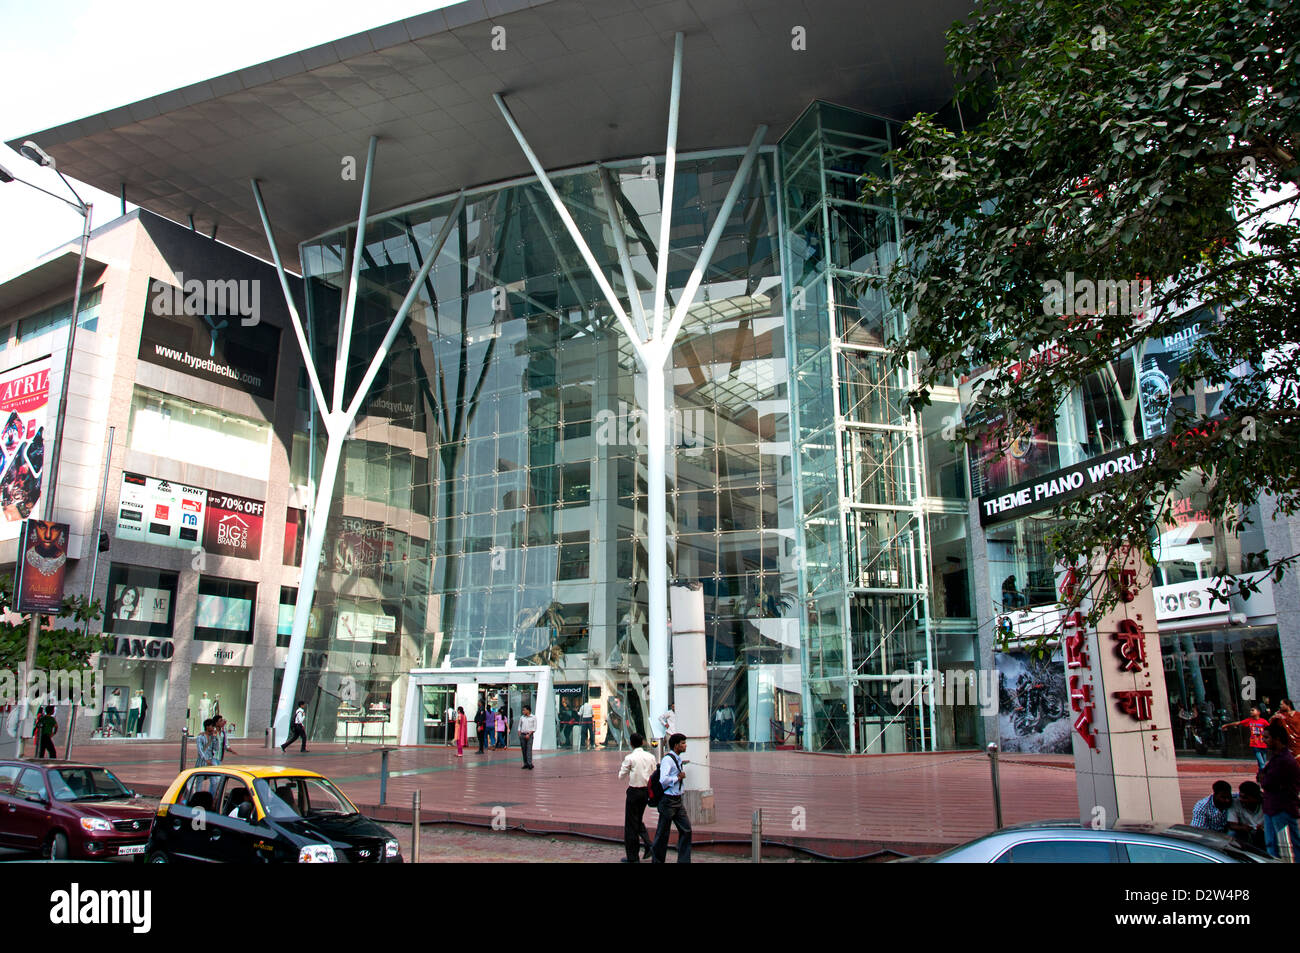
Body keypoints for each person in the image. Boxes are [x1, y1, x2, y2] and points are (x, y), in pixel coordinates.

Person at [1258, 721, 1300, 859]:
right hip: (1272, 806)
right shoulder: (1276, 759)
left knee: (1284, 845)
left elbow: (1268, 782)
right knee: (1272, 844)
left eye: (1267, 738)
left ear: (1277, 739)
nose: (1264, 741)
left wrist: (1264, 779)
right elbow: (1263, 778)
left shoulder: (1285, 760)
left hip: (1282, 807)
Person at [651, 733, 691, 863]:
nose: (685, 746)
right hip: (668, 801)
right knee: (662, 833)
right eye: (683, 743)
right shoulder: (668, 760)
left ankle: (684, 860)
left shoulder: (677, 759)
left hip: (677, 800)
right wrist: (677, 778)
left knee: (686, 829)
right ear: (676, 745)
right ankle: (657, 860)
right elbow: (663, 780)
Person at [617, 732, 656, 862]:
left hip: (634, 792)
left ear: (631, 743)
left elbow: (621, 776)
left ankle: (633, 857)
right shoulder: (650, 756)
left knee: (631, 825)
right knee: (637, 820)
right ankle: (649, 845)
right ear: (642, 742)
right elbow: (654, 773)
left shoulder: (630, 758)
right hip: (646, 792)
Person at [1226, 781, 1266, 852]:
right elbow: (1232, 824)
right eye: (1240, 796)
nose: (1241, 799)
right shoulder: (1236, 803)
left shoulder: (1265, 803)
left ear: (1255, 798)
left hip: (1263, 834)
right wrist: (1243, 828)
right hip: (1245, 833)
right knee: (1232, 834)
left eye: (1245, 798)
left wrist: (1263, 828)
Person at [518, 705, 537, 769]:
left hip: (529, 735)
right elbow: (519, 726)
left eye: (524, 710)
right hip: (522, 735)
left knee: (529, 749)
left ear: (528, 710)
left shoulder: (533, 717)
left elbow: (534, 728)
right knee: (524, 750)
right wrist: (519, 733)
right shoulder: (522, 717)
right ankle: (525, 763)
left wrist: (529, 734)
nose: (523, 711)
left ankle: (530, 763)